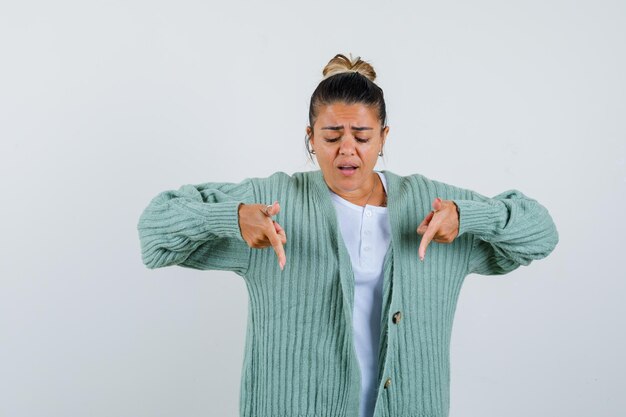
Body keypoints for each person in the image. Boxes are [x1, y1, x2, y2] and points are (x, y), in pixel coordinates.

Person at [137, 53, 559, 417]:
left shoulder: (431, 205)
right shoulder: (273, 200)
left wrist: (469, 217)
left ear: (383, 138)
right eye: (331, 136)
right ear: (310, 139)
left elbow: (541, 231)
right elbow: (154, 229)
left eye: (362, 136)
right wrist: (232, 218)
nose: (347, 150)